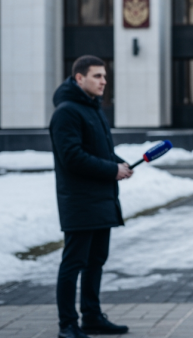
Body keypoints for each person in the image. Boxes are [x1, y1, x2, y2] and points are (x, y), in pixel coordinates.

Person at [49, 55, 132, 338]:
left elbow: (100, 152)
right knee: (74, 263)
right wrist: (112, 170)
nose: (104, 81)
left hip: (101, 200)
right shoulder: (67, 112)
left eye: (105, 76)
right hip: (80, 202)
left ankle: (92, 316)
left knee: (96, 260)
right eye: (97, 76)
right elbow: (72, 158)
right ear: (79, 78)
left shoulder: (93, 109)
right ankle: (67, 324)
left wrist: (121, 164)